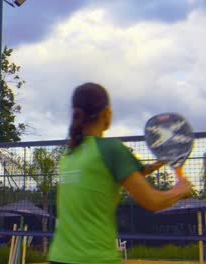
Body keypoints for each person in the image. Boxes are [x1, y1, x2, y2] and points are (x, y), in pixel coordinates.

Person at [47, 83, 193, 264]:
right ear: (107, 112)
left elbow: (109, 176)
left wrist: (159, 163)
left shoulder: (69, 154)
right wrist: (179, 189)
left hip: (59, 257)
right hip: (96, 259)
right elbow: (153, 202)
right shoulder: (110, 150)